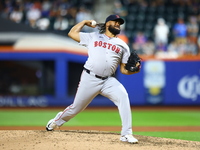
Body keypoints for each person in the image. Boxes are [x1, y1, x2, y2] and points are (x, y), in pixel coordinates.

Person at [46, 14, 140, 144]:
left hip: (108, 80)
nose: (118, 24)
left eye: (119, 23)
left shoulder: (123, 45)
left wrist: (135, 70)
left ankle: (126, 134)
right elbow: (72, 33)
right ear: (107, 24)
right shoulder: (93, 36)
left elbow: (124, 70)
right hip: (90, 77)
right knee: (76, 108)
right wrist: (84, 22)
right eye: (115, 22)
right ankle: (57, 121)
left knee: (123, 96)